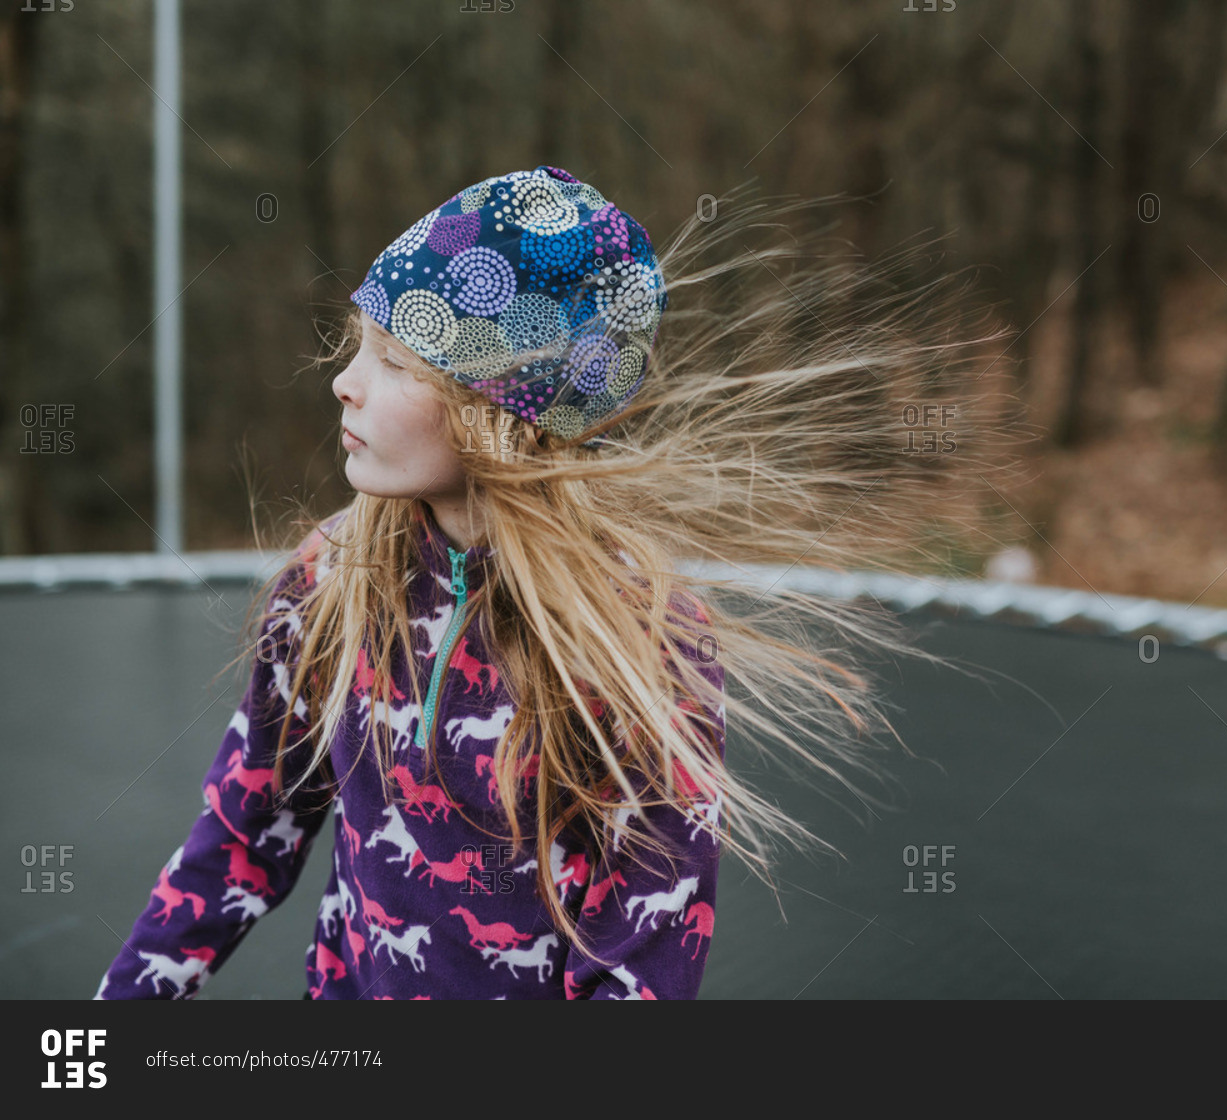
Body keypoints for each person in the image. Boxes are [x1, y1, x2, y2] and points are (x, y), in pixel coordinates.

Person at [95, 165, 1004, 1000]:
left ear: (500, 414)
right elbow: (243, 834)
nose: (344, 382)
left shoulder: (641, 644)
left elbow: (642, 965)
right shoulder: (333, 580)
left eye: (396, 361)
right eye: (357, 345)